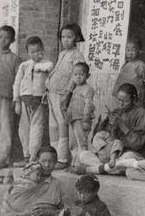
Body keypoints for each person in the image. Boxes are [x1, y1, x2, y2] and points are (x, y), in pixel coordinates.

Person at [46, 23, 86, 169]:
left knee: (63, 125)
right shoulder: (63, 53)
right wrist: (47, 88)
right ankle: (53, 157)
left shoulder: (77, 55)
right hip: (52, 93)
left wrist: (68, 93)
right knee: (53, 126)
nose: (65, 40)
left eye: (69, 37)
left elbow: (76, 76)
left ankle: (62, 158)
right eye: (63, 37)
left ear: (76, 38)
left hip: (63, 94)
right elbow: (56, 71)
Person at [13, 36, 52, 166]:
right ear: (28, 52)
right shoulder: (24, 66)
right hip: (25, 99)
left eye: (38, 50)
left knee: (37, 128)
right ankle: (26, 156)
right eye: (32, 51)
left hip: (39, 100)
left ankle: (33, 157)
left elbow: (49, 79)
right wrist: (17, 100)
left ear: (43, 49)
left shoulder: (47, 64)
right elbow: (17, 83)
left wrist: (47, 93)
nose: (36, 54)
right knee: (23, 128)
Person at [0, 24, 22, 168]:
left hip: (7, 98)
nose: (3, 40)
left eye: (7, 38)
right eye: (0, 37)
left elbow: (19, 80)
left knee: (6, 128)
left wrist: (16, 98)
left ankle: (3, 157)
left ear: (12, 40)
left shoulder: (15, 59)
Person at [63, 62, 95, 159]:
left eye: (81, 75)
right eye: (75, 75)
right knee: (73, 143)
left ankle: (83, 161)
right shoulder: (76, 88)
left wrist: (86, 120)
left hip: (81, 119)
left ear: (87, 76)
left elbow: (88, 105)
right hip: (73, 118)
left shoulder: (87, 89)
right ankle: (75, 162)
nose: (78, 77)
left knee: (82, 142)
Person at [112, 37, 145, 106]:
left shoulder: (140, 65)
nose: (130, 53)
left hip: (134, 95)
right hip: (123, 94)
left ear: (139, 51)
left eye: (133, 50)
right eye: (128, 50)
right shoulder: (124, 63)